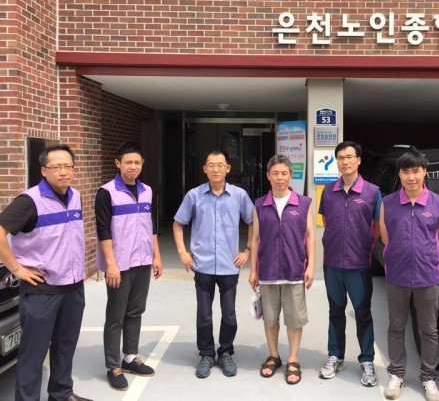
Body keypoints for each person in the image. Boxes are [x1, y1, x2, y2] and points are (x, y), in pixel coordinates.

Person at [0, 144, 92, 401]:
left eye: (68, 166)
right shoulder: (29, 201)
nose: (64, 172)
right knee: (34, 353)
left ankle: (61, 394)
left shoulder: (75, 195)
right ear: (44, 170)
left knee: (65, 346)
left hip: (73, 287)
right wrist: (16, 268)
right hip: (42, 290)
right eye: (57, 167)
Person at [173, 150, 254, 379]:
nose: (215, 169)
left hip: (229, 265)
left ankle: (225, 352)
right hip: (203, 265)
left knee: (229, 314)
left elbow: (253, 222)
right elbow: (178, 224)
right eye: (211, 165)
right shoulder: (194, 195)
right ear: (205, 169)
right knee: (204, 314)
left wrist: (247, 251)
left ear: (228, 168)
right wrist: (182, 252)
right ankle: (207, 354)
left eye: (220, 165)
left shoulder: (239, 195)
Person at [379, 147, 439, 401]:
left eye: (416, 171)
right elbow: (386, 238)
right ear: (399, 174)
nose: (411, 177)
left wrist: (422, 256)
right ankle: (396, 374)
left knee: (428, 330)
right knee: (396, 327)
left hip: (428, 275)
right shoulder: (388, 203)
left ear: (424, 172)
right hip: (397, 274)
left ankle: (429, 378)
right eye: (406, 171)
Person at [95, 142, 162, 391]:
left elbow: (151, 225)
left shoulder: (147, 191)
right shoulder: (106, 192)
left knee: (135, 312)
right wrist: (110, 264)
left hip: (142, 261)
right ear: (118, 164)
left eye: (137, 162)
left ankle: (130, 357)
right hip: (119, 264)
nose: (133, 166)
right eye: (128, 162)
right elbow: (103, 230)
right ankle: (113, 365)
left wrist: (156, 256)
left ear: (142, 164)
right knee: (115, 316)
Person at [318, 140, 382, 387]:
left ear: (359, 160)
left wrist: (363, 245)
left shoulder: (372, 192)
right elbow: (327, 221)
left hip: (359, 265)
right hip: (332, 263)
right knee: (335, 311)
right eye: (341, 157)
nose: (345, 161)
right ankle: (336, 355)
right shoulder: (328, 191)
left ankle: (367, 360)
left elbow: (377, 226)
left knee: (363, 313)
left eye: (349, 157)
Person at [248, 154, 315, 385]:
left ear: (290, 175)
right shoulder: (259, 204)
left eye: (284, 173)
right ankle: (273, 355)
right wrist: (253, 270)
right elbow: (256, 238)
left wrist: (311, 266)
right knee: (270, 318)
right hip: (267, 271)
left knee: (295, 319)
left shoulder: (304, 203)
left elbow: (310, 236)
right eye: (275, 173)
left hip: (294, 270)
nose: (280, 177)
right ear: (268, 176)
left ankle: (293, 359)